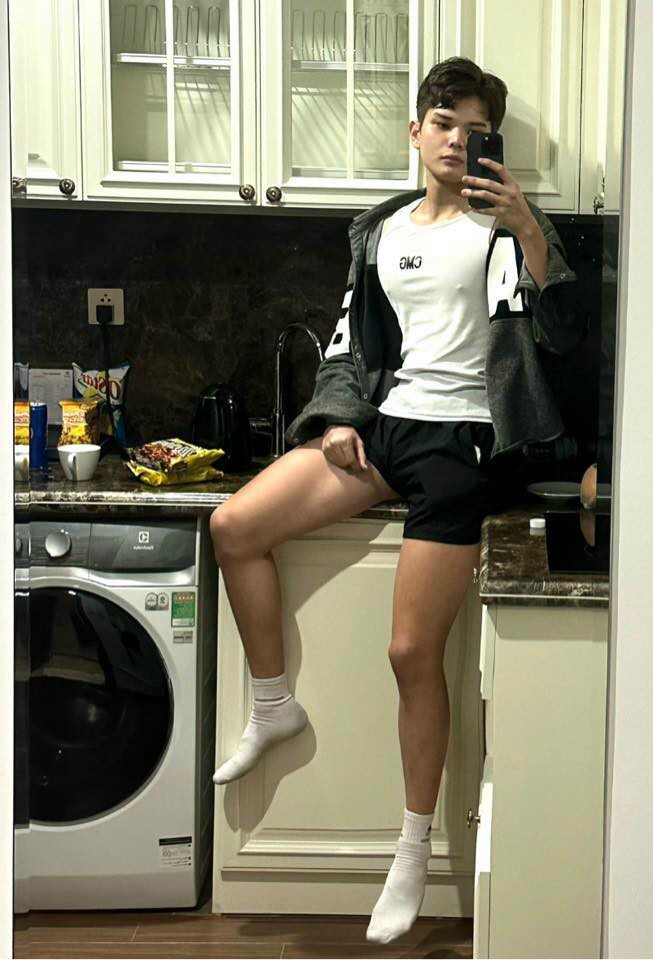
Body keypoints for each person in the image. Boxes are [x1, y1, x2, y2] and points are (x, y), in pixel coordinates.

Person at [208, 56, 583, 944]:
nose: (457, 139)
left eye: (476, 128)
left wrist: (529, 232)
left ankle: (412, 851)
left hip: (467, 443)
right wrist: (339, 415)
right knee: (234, 525)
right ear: (416, 132)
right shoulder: (379, 229)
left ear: (492, 142)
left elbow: (564, 336)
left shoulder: (508, 226)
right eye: (443, 122)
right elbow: (351, 342)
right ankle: (273, 705)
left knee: (412, 651)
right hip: (388, 430)